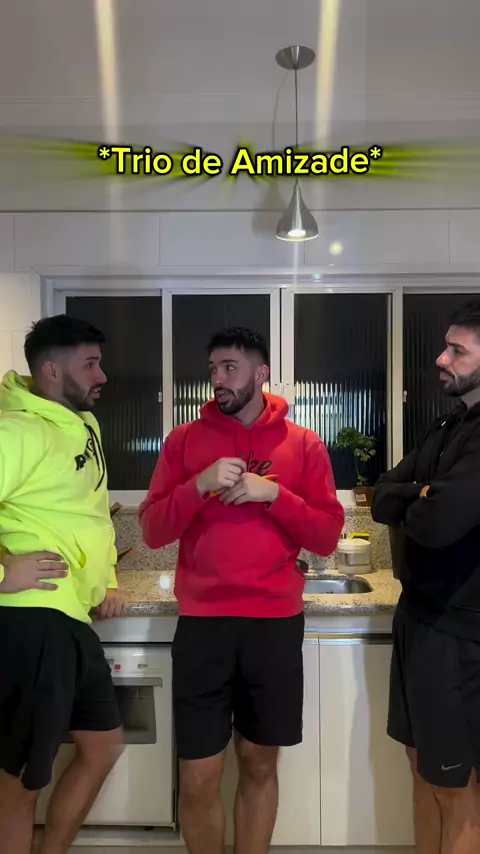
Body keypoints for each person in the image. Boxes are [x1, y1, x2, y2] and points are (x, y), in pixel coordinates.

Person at [140, 326, 344, 854]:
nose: (218, 379)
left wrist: (274, 493)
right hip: (203, 626)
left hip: (273, 626)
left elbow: (326, 536)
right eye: (213, 369)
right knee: (198, 775)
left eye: (230, 367)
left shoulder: (302, 444)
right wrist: (199, 484)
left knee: (258, 764)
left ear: (261, 373)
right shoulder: (185, 442)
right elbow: (153, 530)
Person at [0, 314, 125, 854]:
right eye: (90, 364)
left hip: (71, 616)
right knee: (20, 778)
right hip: (31, 619)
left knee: (103, 745)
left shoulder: (84, 425)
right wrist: (3, 573)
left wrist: (106, 579)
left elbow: (92, 512)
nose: (102, 376)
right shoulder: (17, 431)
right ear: (51, 370)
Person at [371, 301, 480, 854]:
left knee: (454, 787)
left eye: (457, 350)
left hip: (458, 630)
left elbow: (439, 524)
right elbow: (380, 495)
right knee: (420, 768)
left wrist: (413, 500)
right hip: (418, 618)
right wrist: (420, 492)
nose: (440, 358)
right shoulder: (447, 424)